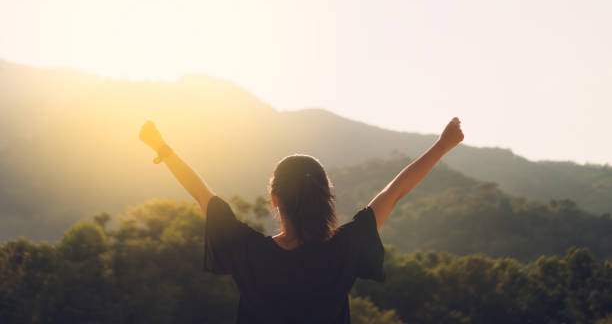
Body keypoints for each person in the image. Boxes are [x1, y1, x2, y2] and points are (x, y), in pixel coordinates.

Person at [139, 117, 464, 323]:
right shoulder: (344, 250)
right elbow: (394, 193)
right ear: (325, 198)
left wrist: (162, 148)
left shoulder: (250, 252)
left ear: (275, 200)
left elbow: (202, 196)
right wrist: (442, 145)